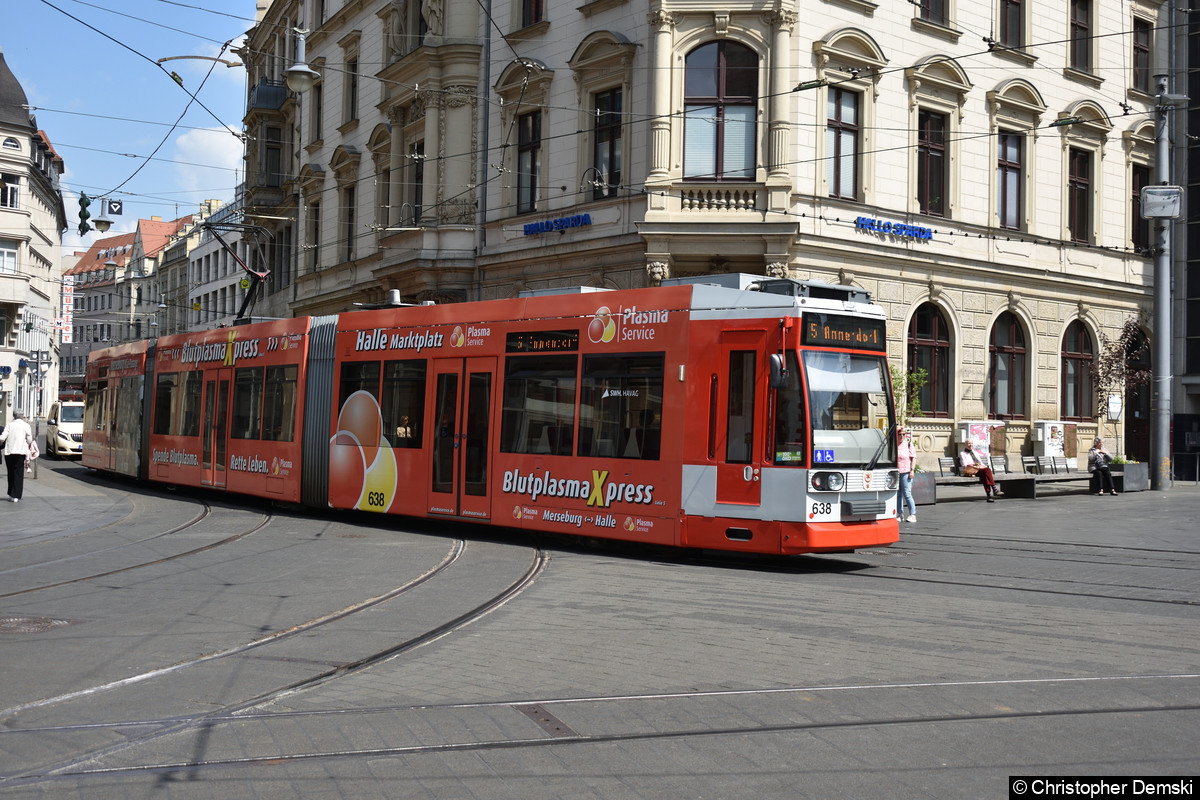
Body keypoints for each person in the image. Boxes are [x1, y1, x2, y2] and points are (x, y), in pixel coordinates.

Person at [1, 410, 34, 503]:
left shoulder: (9, 425)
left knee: (10, 472)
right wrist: (28, 443)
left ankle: (11, 493)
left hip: (9, 452)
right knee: (19, 473)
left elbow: (3, 437)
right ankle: (17, 495)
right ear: (22, 416)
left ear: (14, 416)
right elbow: (29, 439)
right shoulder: (26, 426)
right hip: (21, 452)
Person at [896, 425, 917, 523]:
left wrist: (912, 470)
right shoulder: (894, 445)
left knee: (907, 493)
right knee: (898, 494)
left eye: (903, 434)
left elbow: (913, 458)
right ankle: (900, 514)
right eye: (899, 434)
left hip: (906, 472)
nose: (901, 436)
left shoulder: (908, 444)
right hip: (896, 472)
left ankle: (913, 514)